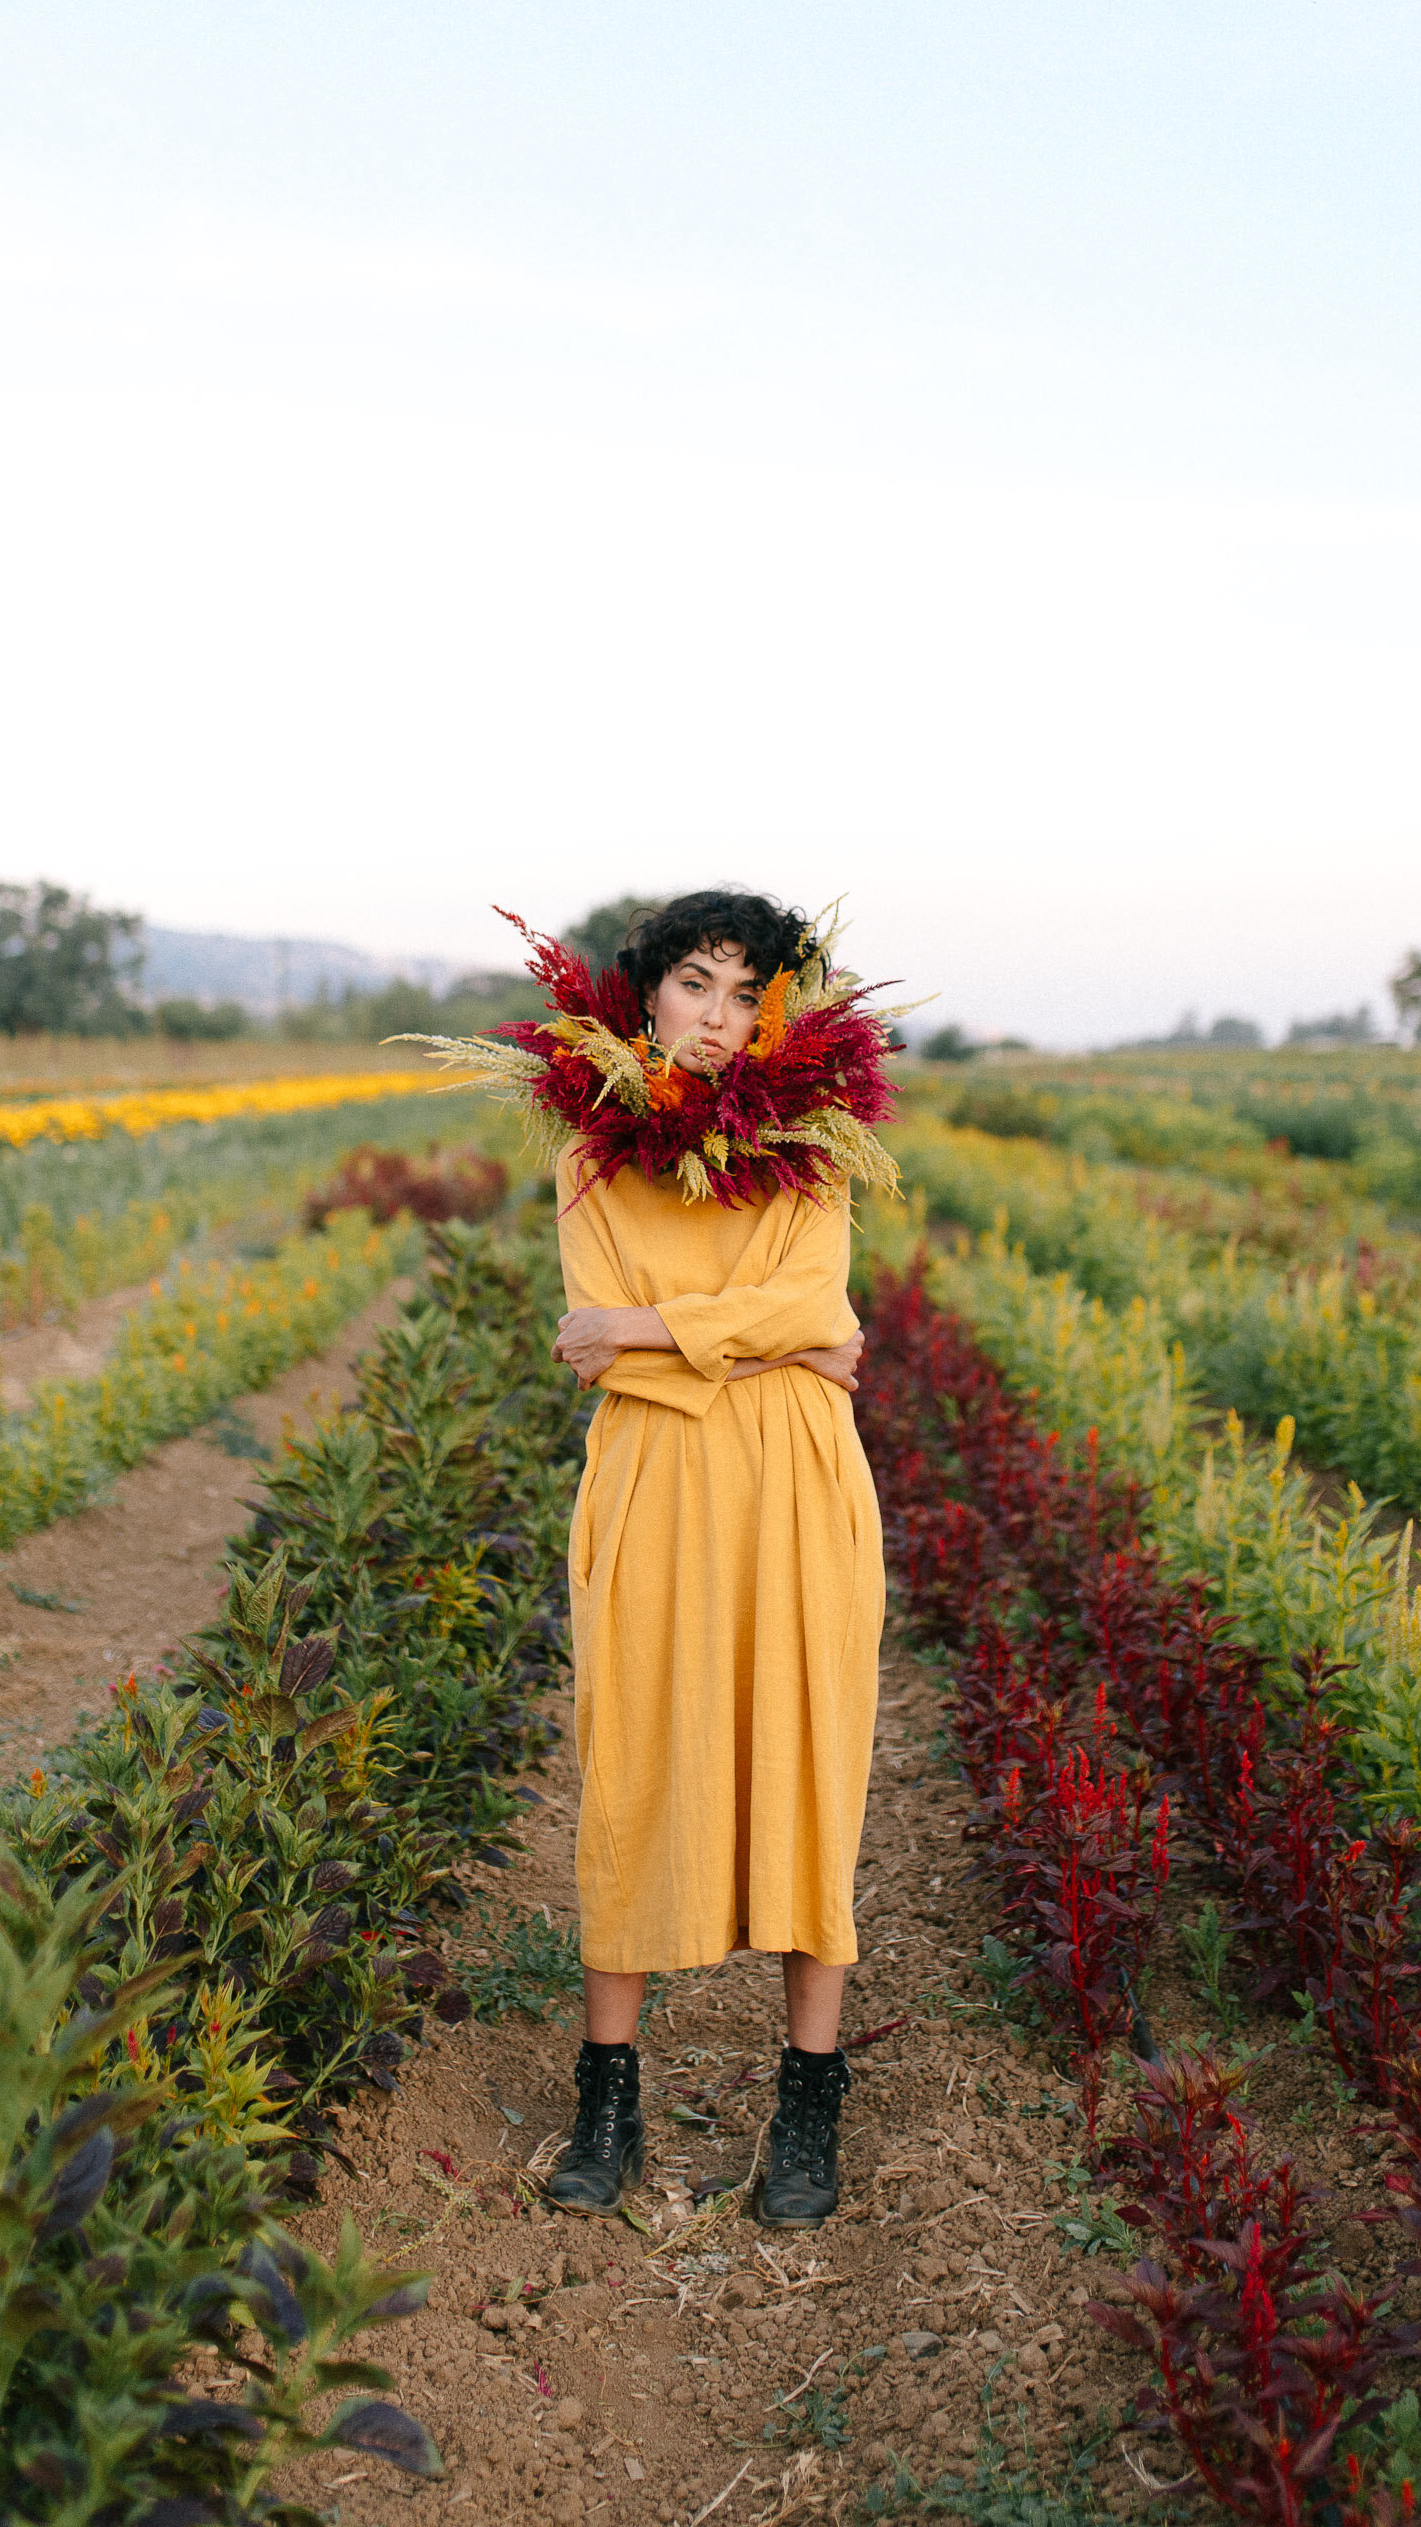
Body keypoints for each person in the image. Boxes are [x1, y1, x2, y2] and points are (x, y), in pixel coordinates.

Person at [406, 891, 901, 2225]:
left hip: (798, 1487)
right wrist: (771, 1345)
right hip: (656, 1481)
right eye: (697, 986)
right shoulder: (590, 1156)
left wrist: (664, 1327)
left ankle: (808, 2102)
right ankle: (606, 2093)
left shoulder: (817, 1150)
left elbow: (813, 1303)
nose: (721, 1021)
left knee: (806, 1768)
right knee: (630, 1764)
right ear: (645, 994)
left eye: (750, 998)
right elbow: (597, 1338)